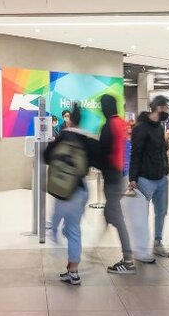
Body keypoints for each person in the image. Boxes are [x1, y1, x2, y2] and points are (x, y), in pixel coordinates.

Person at [45, 104, 99, 285]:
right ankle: (73, 270)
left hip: (62, 191)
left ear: (70, 119)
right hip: (81, 191)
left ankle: (60, 250)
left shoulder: (62, 136)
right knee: (74, 230)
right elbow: (96, 162)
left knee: (54, 228)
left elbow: (46, 157)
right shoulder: (87, 140)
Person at [128, 95, 169, 261]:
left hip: (162, 178)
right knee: (142, 215)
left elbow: (162, 150)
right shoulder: (141, 128)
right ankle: (140, 248)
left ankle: (157, 243)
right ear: (158, 108)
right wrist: (133, 178)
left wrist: (166, 168)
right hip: (146, 179)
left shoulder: (159, 127)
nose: (168, 111)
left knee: (161, 212)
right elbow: (136, 154)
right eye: (166, 108)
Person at [99, 94, 136, 274]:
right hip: (122, 175)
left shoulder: (108, 126)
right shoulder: (123, 123)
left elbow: (103, 153)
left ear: (105, 108)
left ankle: (128, 260)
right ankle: (101, 236)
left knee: (117, 218)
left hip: (112, 178)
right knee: (110, 212)